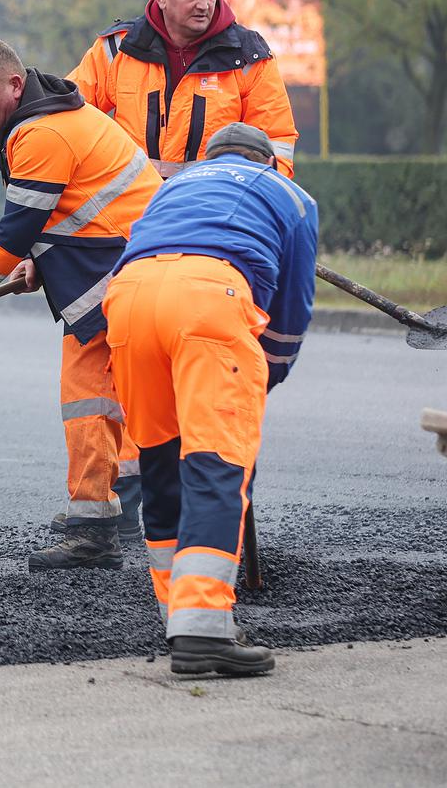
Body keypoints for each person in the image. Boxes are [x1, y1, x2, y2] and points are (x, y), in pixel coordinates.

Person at [0, 39, 162, 570]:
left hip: (120, 271)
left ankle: (94, 532)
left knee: (87, 396)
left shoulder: (41, 133)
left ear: (13, 85)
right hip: (130, 261)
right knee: (112, 394)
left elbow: (15, 230)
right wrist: (44, 256)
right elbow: (72, 203)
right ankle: (113, 511)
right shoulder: (47, 118)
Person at [101, 122, 318, 674]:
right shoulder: (290, 195)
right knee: (216, 463)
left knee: (160, 463)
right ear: (268, 162)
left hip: (127, 300)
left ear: (209, 158)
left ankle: (181, 616)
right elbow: (290, 309)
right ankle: (204, 631)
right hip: (207, 300)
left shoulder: (173, 187)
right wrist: (268, 374)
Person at [67, 0, 299, 179]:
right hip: (130, 209)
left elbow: (276, 143)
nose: (204, 5)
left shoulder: (249, 56)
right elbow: (68, 113)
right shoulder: (119, 48)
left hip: (212, 207)